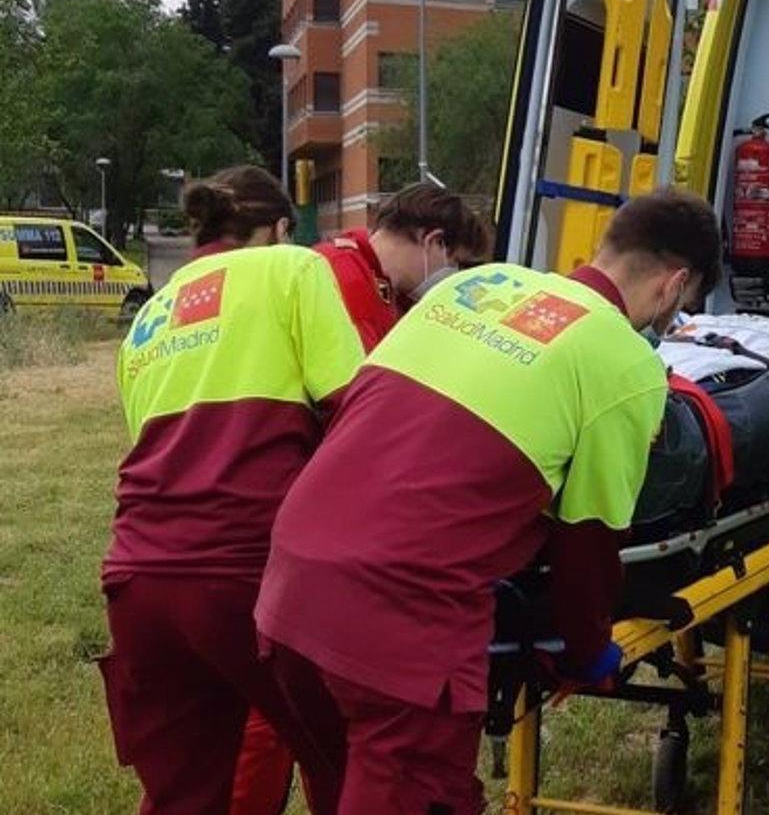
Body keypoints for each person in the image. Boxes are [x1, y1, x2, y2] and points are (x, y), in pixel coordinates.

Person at [254, 188, 723, 815]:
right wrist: (589, 655)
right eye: (677, 310)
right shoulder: (625, 363)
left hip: (288, 592)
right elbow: (588, 543)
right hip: (400, 622)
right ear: (673, 285)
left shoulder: (469, 289)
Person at [99, 165, 365, 815]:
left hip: (137, 579)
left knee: (182, 793)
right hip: (246, 571)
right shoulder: (293, 270)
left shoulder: (152, 315)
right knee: (352, 762)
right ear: (278, 228)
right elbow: (356, 409)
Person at [228, 183, 493, 815]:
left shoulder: (348, 273)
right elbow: (366, 412)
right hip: (301, 509)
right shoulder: (346, 285)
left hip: (291, 503)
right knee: (282, 711)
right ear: (434, 244)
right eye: (454, 267)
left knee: (296, 703)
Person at [312, 183, 495, 352]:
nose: (456, 277)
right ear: (434, 241)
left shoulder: (390, 290)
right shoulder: (344, 276)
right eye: (456, 263)